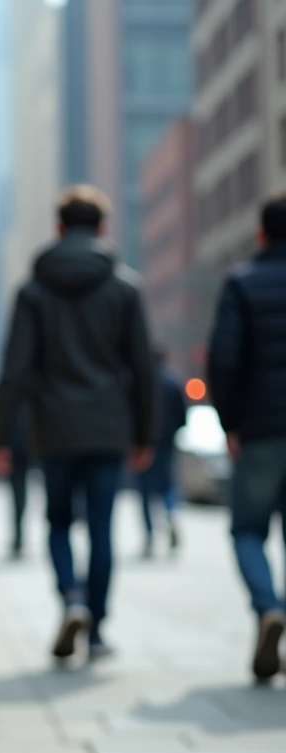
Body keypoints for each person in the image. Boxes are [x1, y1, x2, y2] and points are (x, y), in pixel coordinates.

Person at [0, 185, 156, 661]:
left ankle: (72, 599)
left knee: (58, 521)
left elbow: (15, 370)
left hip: (53, 428)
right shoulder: (125, 289)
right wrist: (145, 434)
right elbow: (142, 367)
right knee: (100, 526)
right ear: (102, 229)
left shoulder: (32, 291)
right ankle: (97, 629)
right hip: (107, 426)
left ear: (59, 228)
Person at [206, 192, 286, 683]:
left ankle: (267, 607)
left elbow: (224, 359)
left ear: (261, 234)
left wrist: (229, 423)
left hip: (260, 428)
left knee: (248, 529)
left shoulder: (242, 283)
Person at [139, 348, 187, 559]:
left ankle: (149, 536)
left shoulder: (142, 382)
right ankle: (170, 516)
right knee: (167, 486)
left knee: (145, 492)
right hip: (167, 444)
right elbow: (182, 417)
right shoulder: (173, 382)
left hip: (144, 444)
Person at [8, 405, 31, 560]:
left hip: (15, 447)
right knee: (19, 494)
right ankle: (18, 534)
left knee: (17, 493)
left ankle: (18, 534)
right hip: (33, 446)